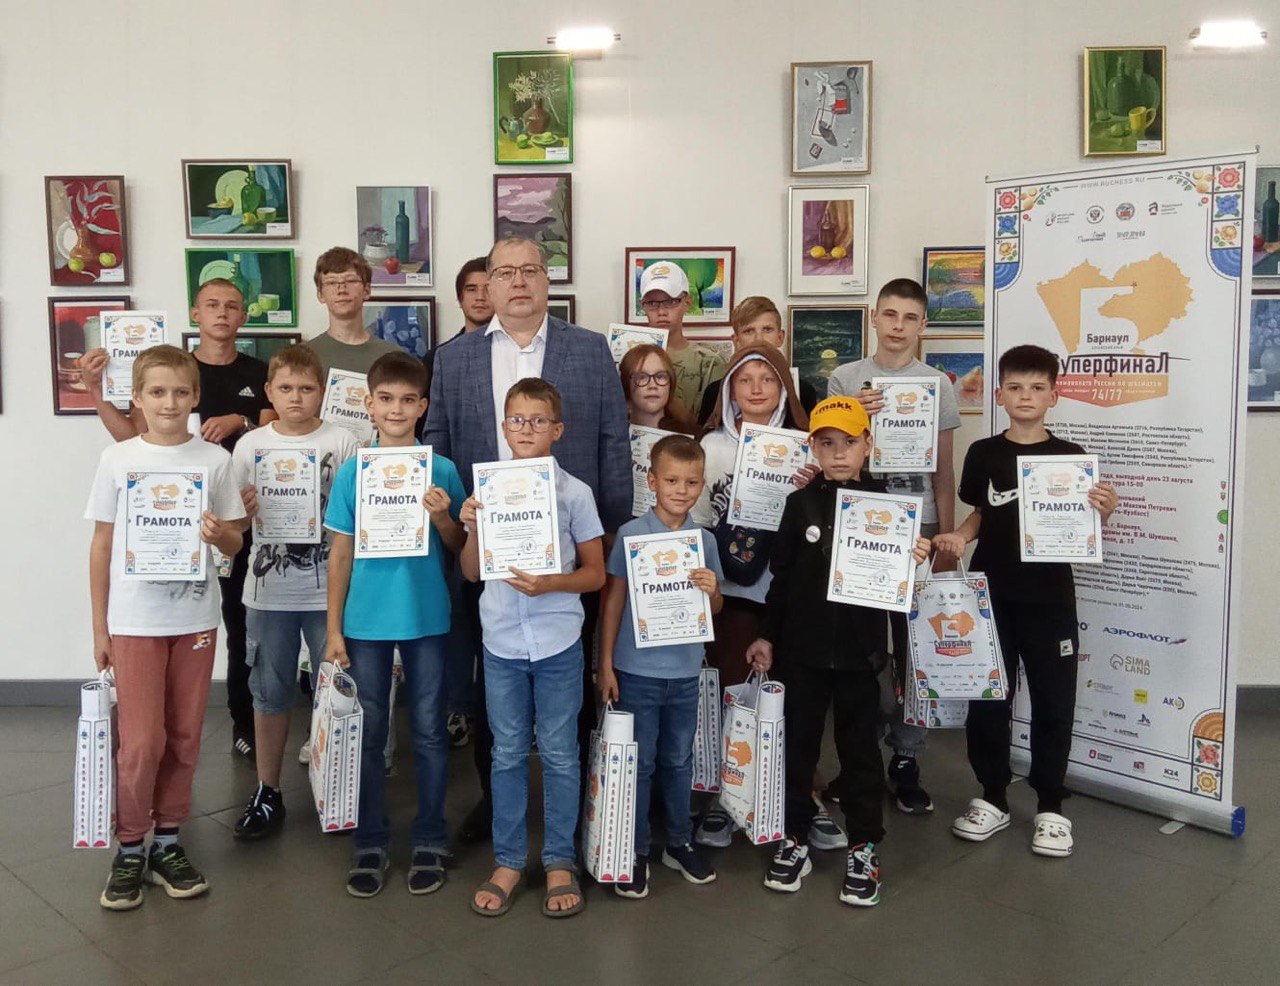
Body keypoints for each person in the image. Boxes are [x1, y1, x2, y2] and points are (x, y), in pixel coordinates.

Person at [424, 236, 629, 844]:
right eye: (505, 272)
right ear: (487, 284)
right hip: (482, 546)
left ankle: (581, 815)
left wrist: (607, 536)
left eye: (530, 271)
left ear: (547, 280)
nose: (518, 281)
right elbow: (438, 445)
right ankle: (496, 805)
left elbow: (613, 442)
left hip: (570, 552)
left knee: (575, 681)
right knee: (492, 683)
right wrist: (454, 530)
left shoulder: (589, 350)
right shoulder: (453, 358)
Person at [934, 345, 1118, 858]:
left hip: (1050, 599)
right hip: (991, 596)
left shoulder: (1072, 457)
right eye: (1015, 387)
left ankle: (1051, 806)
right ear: (999, 395)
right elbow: (981, 512)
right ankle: (992, 796)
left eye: (1037, 388)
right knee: (989, 698)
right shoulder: (983, 453)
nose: (1026, 396)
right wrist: (958, 537)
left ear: (1053, 396)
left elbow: (1084, 524)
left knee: (1054, 700)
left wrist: (1104, 510)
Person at [747, 396, 931, 906]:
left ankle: (865, 845)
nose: (839, 453)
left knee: (860, 753)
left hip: (860, 655)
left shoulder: (892, 508)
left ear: (868, 444)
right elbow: (781, 580)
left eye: (850, 442)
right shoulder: (799, 504)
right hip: (802, 652)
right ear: (814, 447)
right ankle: (795, 836)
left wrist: (915, 561)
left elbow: (901, 593)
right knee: (798, 749)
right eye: (827, 443)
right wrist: (767, 635)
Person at [79, 279, 273, 760]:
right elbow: (132, 438)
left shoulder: (257, 371)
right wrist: (97, 393)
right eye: (212, 305)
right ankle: (144, 762)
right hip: (160, 546)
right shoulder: (172, 366)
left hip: (233, 513)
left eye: (232, 306)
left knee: (238, 626)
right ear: (195, 312)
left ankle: (242, 722)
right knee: (147, 724)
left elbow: (275, 430)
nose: (222, 313)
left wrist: (241, 421)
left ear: (244, 315)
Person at [86, 345, 246, 910]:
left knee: (183, 736)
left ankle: (168, 843)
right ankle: (131, 845)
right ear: (137, 397)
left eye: (180, 392)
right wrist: (100, 628)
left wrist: (219, 536)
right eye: (156, 392)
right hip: (134, 622)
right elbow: (101, 545)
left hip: (195, 619)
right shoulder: (118, 459)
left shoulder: (215, 461)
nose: (169, 403)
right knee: (141, 742)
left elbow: (236, 541)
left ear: (196, 396)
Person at [322, 352, 466, 897]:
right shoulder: (354, 472)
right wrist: (333, 629)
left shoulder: (442, 469)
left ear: (423, 406)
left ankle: (430, 835)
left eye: (408, 400)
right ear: (369, 404)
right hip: (364, 620)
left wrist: (442, 517)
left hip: (426, 616)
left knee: (429, 730)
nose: (397, 409)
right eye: (386, 399)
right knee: (369, 732)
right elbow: (340, 553)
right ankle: (370, 839)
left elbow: (459, 547)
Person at [461, 378, 606, 919]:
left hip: (557, 641)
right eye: (517, 420)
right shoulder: (486, 491)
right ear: (504, 427)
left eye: (539, 420)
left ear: (557, 429)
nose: (526, 429)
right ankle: (508, 860)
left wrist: (550, 584)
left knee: (562, 752)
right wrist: (472, 528)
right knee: (506, 751)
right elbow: (471, 572)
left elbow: (595, 575)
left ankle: (559, 859)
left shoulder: (575, 494)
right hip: (501, 639)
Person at [825, 277, 961, 816]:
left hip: (920, 529)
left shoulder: (937, 385)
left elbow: (943, 470)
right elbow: (832, 454)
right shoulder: (846, 378)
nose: (898, 326)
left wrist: (948, 539)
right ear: (873, 318)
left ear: (923, 324)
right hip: (861, 526)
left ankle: (906, 756)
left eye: (909, 317)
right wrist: (852, 413)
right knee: (859, 649)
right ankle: (858, 756)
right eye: (889, 314)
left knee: (913, 649)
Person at [690, 344, 834, 849]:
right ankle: (727, 799)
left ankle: (801, 797)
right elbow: (696, 520)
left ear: (785, 389)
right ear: (729, 389)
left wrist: (813, 489)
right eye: (745, 379)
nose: (756, 388)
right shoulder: (709, 447)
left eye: (768, 379)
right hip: (731, 591)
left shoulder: (806, 447)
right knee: (734, 694)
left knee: (794, 699)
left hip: (790, 592)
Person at [228, 345, 359, 839]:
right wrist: (243, 512)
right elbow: (236, 527)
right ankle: (268, 789)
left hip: (331, 591)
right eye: (285, 388)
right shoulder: (250, 445)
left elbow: (357, 516)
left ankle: (339, 790)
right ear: (269, 392)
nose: (296, 397)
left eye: (306, 388)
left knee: (338, 692)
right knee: (269, 692)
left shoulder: (342, 441)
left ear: (322, 392)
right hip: (269, 592)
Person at [598, 435, 724, 897]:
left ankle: (678, 841)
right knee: (641, 762)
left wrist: (712, 591)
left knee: (678, 760)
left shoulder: (703, 541)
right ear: (651, 481)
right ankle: (633, 850)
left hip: (686, 672)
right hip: (636, 672)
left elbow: (716, 607)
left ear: (702, 485)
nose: (681, 490)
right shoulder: (631, 535)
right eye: (671, 480)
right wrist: (605, 664)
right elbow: (613, 601)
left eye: (691, 482)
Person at [425, 257, 495, 749]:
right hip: (458, 508)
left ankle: (490, 710)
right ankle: (459, 708)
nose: (481, 296)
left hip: (510, 513)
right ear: (459, 297)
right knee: (459, 614)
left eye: (487, 286)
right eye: (471, 288)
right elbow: (436, 434)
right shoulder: (443, 358)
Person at [695, 296, 818, 425]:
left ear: (780, 337)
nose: (759, 339)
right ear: (736, 341)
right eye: (749, 331)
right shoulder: (715, 393)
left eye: (767, 330)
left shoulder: (803, 391)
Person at [637, 262, 726, 417]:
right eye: (652, 303)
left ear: (688, 302)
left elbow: (711, 423)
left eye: (671, 301)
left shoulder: (710, 362)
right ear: (643, 306)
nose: (661, 311)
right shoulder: (630, 358)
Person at [303, 248, 401, 378]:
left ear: (366, 290)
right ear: (320, 294)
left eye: (350, 281)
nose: (341, 290)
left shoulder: (392, 357)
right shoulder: (303, 357)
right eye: (331, 282)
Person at [619, 344, 695, 434]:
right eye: (642, 377)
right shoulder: (612, 436)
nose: (653, 385)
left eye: (660, 376)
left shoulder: (689, 436)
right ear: (626, 385)